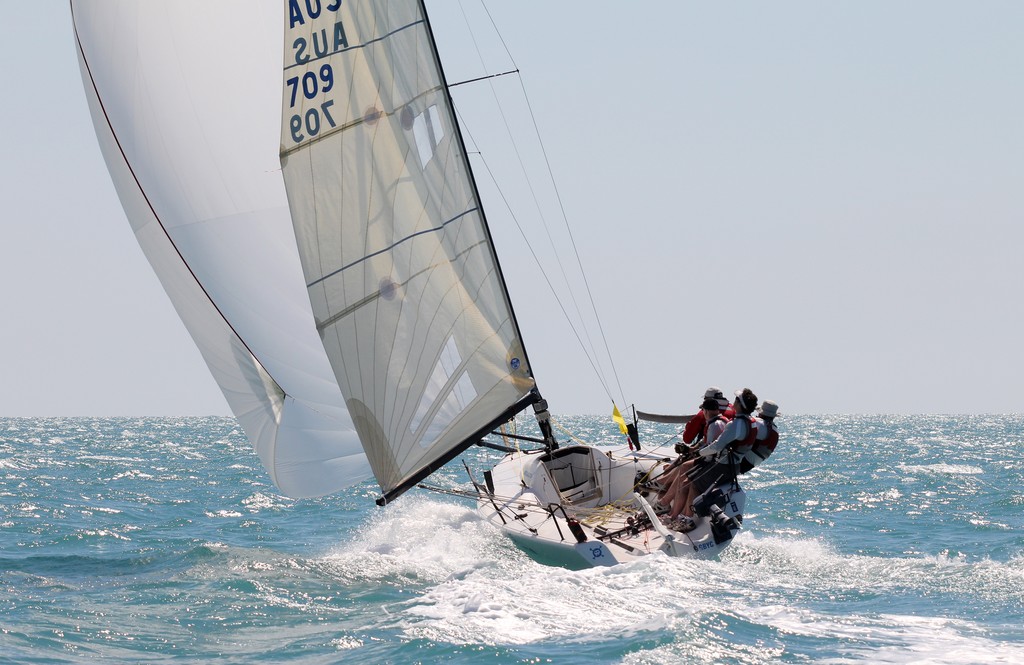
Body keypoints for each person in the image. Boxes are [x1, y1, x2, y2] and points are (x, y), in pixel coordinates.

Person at [670, 388, 758, 527]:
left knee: (693, 484)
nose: (733, 401)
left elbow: (716, 446)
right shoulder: (751, 421)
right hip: (733, 465)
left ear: (740, 405)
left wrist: (698, 453)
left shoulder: (736, 424)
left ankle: (687, 520)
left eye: (736, 400)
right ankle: (682, 516)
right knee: (690, 479)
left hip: (723, 466)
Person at [656, 397, 727, 514]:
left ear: (706, 411)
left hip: (711, 463)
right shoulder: (721, 422)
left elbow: (711, 450)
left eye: (703, 410)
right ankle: (666, 500)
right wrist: (690, 450)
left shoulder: (714, 425)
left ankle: (670, 510)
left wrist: (695, 454)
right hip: (717, 461)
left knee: (685, 480)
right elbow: (706, 443)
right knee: (684, 467)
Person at [740, 400, 779, 474]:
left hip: (741, 460)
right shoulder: (775, 430)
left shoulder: (757, 422)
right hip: (750, 465)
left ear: (760, 412)